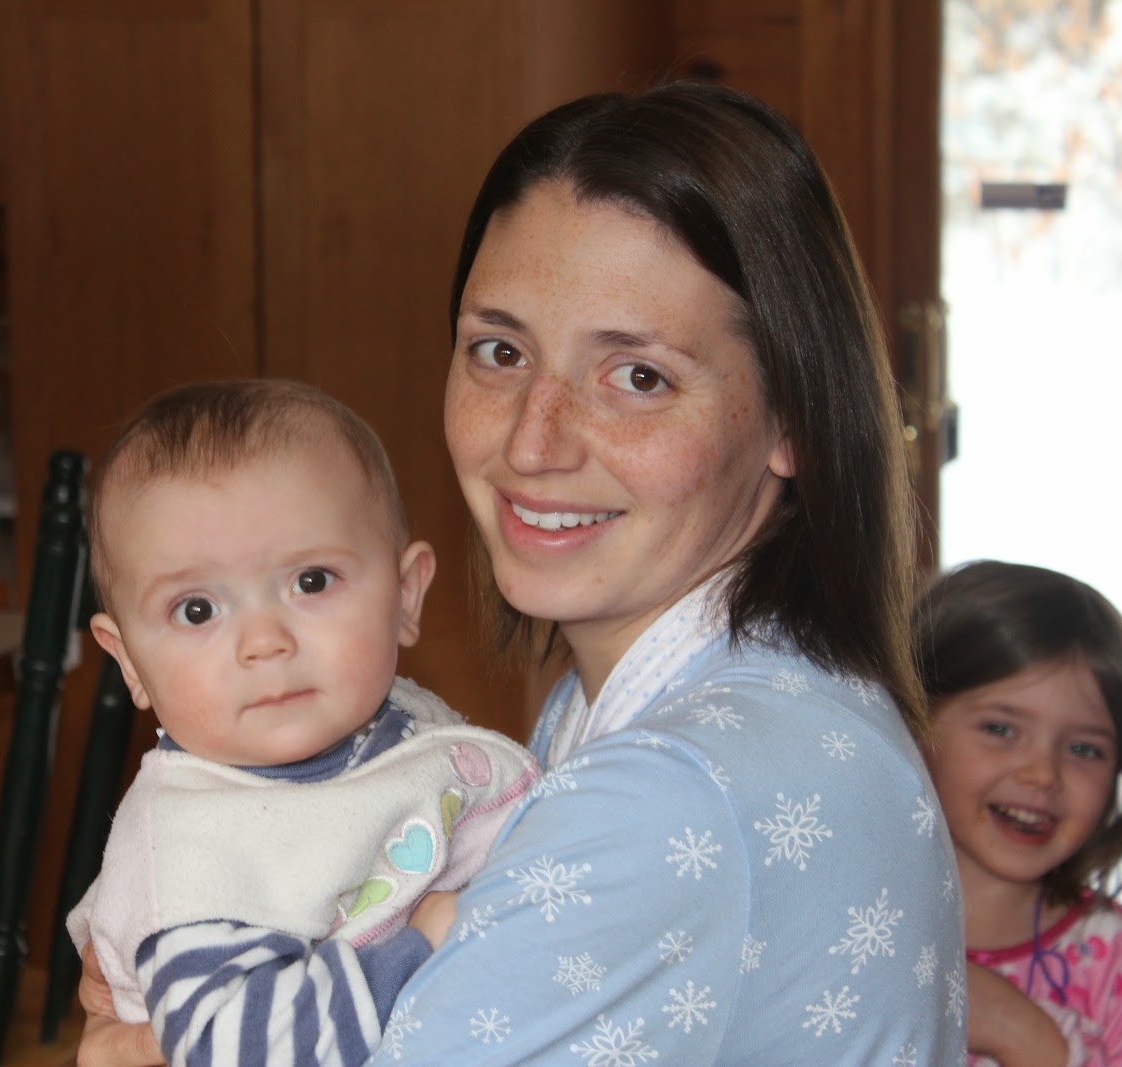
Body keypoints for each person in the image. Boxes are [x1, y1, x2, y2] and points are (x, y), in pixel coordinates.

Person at [78, 79, 965, 1065]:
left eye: (638, 376)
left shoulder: (668, 793)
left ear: (792, 416)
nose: (532, 443)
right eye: (499, 351)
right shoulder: (727, 693)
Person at [67, 378, 540, 1066]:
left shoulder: (399, 722)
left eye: (310, 581)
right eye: (197, 610)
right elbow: (230, 1047)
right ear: (129, 662)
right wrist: (421, 948)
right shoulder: (187, 854)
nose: (264, 641)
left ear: (406, 595)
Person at [914, 560, 1122, 1066]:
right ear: (912, 723)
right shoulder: (846, 924)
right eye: (1000, 729)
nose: (1042, 775)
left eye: (1084, 749)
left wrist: (1026, 1036)